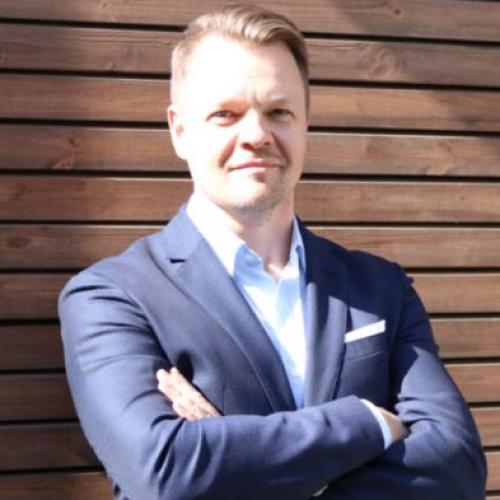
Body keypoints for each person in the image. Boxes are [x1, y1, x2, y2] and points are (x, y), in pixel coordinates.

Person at [59, 4, 486, 499]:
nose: (256, 135)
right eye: (226, 114)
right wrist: (370, 422)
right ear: (180, 130)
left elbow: (456, 468)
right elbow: (164, 471)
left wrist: (237, 464)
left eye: (278, 112)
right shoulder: (112, 298)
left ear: (305, 126)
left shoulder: (381, 289)